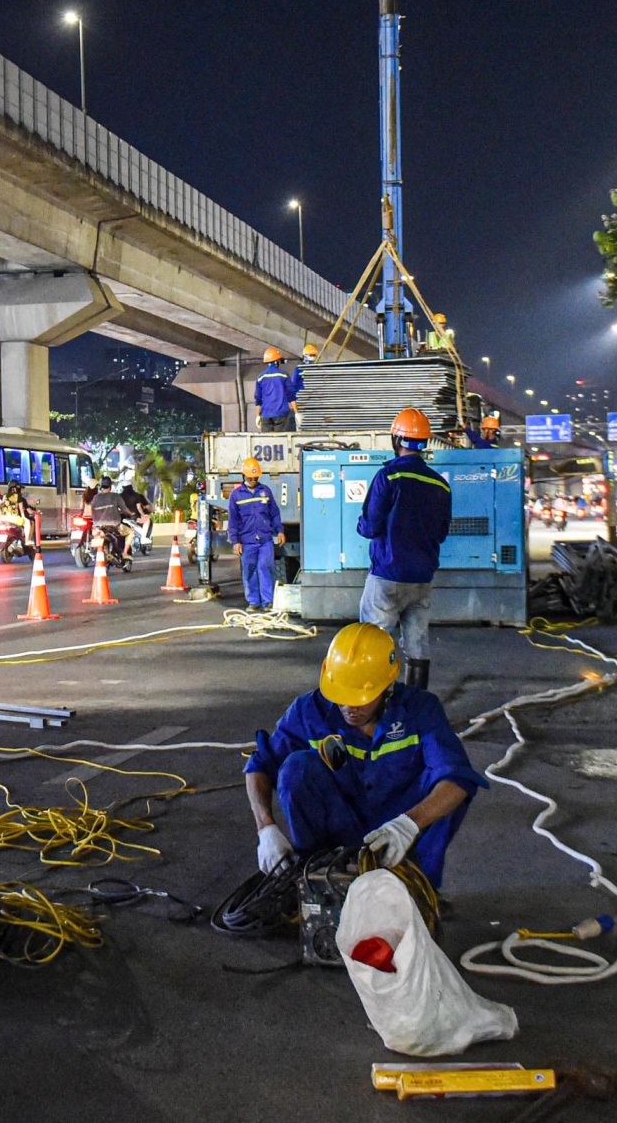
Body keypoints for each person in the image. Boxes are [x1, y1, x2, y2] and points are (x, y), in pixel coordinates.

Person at [244, 622, 483, 890]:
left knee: (448, 789)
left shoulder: (420, 710)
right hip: (340, 826)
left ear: (387, 686)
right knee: (296, 769)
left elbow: (457, 779)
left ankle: (418, 885)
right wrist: (265, 829)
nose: (349, 708)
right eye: (342, 696)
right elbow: (260, 765)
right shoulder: (308, 711)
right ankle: (318, 882)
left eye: (361, 698)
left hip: (401, 830)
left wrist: (409, 824)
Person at [356, 408, 453, 693]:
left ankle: (376, 703)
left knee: (375, 640)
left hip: (387, 574)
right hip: (422, 577)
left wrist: (362, 526)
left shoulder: (389, 475)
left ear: (395, 438)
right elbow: (442, 533)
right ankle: (416, 707)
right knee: (417, 644)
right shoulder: (441, 485)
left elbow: (370, 525)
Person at [225, 456, 283, 610]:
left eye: (256, 477)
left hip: (265, 539)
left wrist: (280, 531)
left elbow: (274, 513)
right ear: (244, 475)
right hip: (247, 541)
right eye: (251, 477)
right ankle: (253, 601)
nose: (253, 479)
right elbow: (233, 520)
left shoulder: (265, 491)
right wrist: (235, 541)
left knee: (265, 567)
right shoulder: (236, 495)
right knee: (249, 570)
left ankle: (268, 601)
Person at [84, 476, 129, 562]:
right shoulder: (115, 496)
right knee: (128, 532)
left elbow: (89, 511)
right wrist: (130, 513)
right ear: (110, 486)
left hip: (97, 525)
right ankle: (124, 553)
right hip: (112, 525)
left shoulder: (94, 498)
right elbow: (124, 509)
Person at [253, 346, 295, 432]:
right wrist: (297, 413)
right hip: (281, 414)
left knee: (267, 442)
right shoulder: (284, 375)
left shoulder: (261, 377)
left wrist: (257, 415)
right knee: (281, 442)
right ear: (276, 362)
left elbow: (258, 399)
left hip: (266, 415)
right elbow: (291, 395)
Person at [120, 477, 153, 551]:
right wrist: (143, 515)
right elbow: (139, 507)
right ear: (131, 486)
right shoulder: (136, 495)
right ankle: (143, 538)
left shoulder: (120, 496)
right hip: (134, 516)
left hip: (123, 516)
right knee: (147, 520)